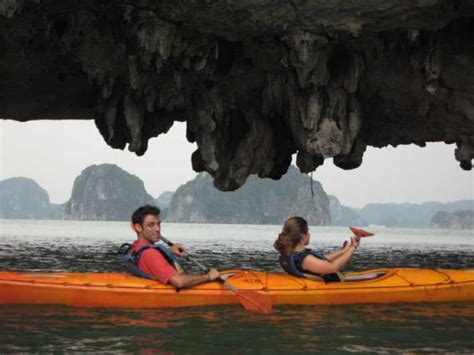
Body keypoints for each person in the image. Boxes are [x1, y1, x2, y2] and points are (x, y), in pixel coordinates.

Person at [122, 204, 220, 288]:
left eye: (158, 224)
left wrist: (169, 252)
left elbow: (151, 262)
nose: (157, 229)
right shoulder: (150, 253)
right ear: (138, 227)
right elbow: (179, 282)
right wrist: (208, 276)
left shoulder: (135, 248)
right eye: (151, 225)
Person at [274, 216, 361, 282]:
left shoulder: (292, 254)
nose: (309, 234)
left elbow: (322, 259)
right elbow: (333, 267)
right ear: (302, 236)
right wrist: (353, 247)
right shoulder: (305, 259)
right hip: (335, 285)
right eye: (307, 231)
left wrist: (344, 251)